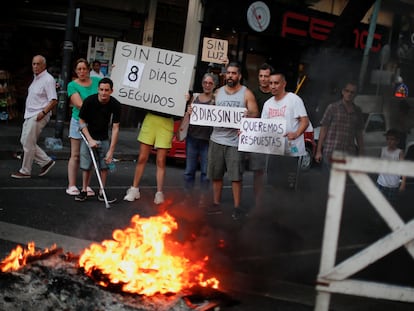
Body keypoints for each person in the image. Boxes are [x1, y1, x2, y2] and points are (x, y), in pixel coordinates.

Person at [207, 61, 259, 220]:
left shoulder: (246, 93)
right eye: (228, 73)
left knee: (236, 177)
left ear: (239, 76)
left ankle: (237, 207)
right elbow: (207, 110)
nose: (230, 75)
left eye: (234, 73)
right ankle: (216, 204)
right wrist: (193, 110)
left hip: (235, 142)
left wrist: (246, 118)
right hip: (216, 139)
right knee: (216, 175)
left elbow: (255, 113)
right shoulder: (218, 92)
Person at [261, 71, 310, 190]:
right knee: (274, 184)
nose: (273, 86)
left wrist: (296, 133)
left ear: (284, 84)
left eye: (276, 83)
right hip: (275, 151)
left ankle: (288, 207)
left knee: (288, 186)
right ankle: (277, 207)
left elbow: (305, 121)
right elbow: (262, 126)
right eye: (271, 83)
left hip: (291, 150)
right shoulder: (268, 104)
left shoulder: (294, 99)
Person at [75, 78, 121, 202]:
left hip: (104, 137)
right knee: (86, 165)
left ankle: (102, 191)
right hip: (89, 135)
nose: (103, 93)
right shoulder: (89, 101)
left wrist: (111, 151)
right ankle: (84, 190)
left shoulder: (115, 104)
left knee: (105, 165)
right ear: (98, 89)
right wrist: (89, 139)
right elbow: (81, 121)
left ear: (111, 91)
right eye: (101, 90)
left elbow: (115, 128)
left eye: (107, 90)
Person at [11, 55, 57, 179]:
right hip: (30, 114)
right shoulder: (37, 78)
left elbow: (53, 100)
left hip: (38, 114)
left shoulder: (48, 79)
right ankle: (46, 161)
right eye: (34, 64)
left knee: (27, 142)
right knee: (25, 141)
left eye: (38, 64)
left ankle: (25, 170)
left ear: (44, 65)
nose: (35, 66)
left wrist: (43, 113)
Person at [123, 111, 175, 205]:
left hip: (167, 121)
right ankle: (134, 189)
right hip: (151, 118)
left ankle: (159, 193)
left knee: (161, 160)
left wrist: (186, 99)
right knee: (142, 157)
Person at [66, 58, 101, 196]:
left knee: (89, 155)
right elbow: (79, 104)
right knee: (75, 155)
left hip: (94, 123)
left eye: (84, 69)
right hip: (77, 121)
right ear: (75, 71)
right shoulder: (72, 85)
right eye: (79, 69)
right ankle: (72, 185)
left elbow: (107, 91)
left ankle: (86, 186)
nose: (82, 71)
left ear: (88, 69)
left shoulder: (97, 82)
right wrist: (99, 107)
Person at [182, 73, 217, 205]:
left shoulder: (216, 100)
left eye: (210, 83)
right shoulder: (195, 97)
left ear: (214, 85)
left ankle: (203, 198)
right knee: (189, 171)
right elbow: (186, 118)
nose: (207, 85)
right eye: (205, 82)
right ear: (202, 83)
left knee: (205, 173)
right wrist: (188, 112)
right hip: (192, 138)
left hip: (207, 140)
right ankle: (188, 197)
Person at [314, 81, 364, 168]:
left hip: (348, 154)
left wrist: (361, 152)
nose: (349, 94)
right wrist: (318, 151)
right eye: (347, 91)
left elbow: (359, 134)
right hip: (331, 152)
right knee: (327, 180)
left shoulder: (357, 111)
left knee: (342, 181)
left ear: (356, 94)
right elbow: (323, 129)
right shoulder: (332, 108)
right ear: (343, 92)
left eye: (352, 92)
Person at [250, 63, 274, 210]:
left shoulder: (276, 94)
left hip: (274, 139)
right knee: (258, 173)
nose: (263, 79)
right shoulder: (252, 94)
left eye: (266, 76)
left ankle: (271, 205)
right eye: (261, 76)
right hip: (258, 139)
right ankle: (258, 205)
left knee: (273, 173)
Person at [376, 128, 406, 206]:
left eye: (392, 139)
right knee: (379, 203)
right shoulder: (382, 150)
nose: (389, 141)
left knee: (390, 205)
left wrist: (403, 183)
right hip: (381, 182)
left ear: (397, 141)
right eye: (388, 139)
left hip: (393, 185)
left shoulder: (399, 152)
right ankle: (379, 217)